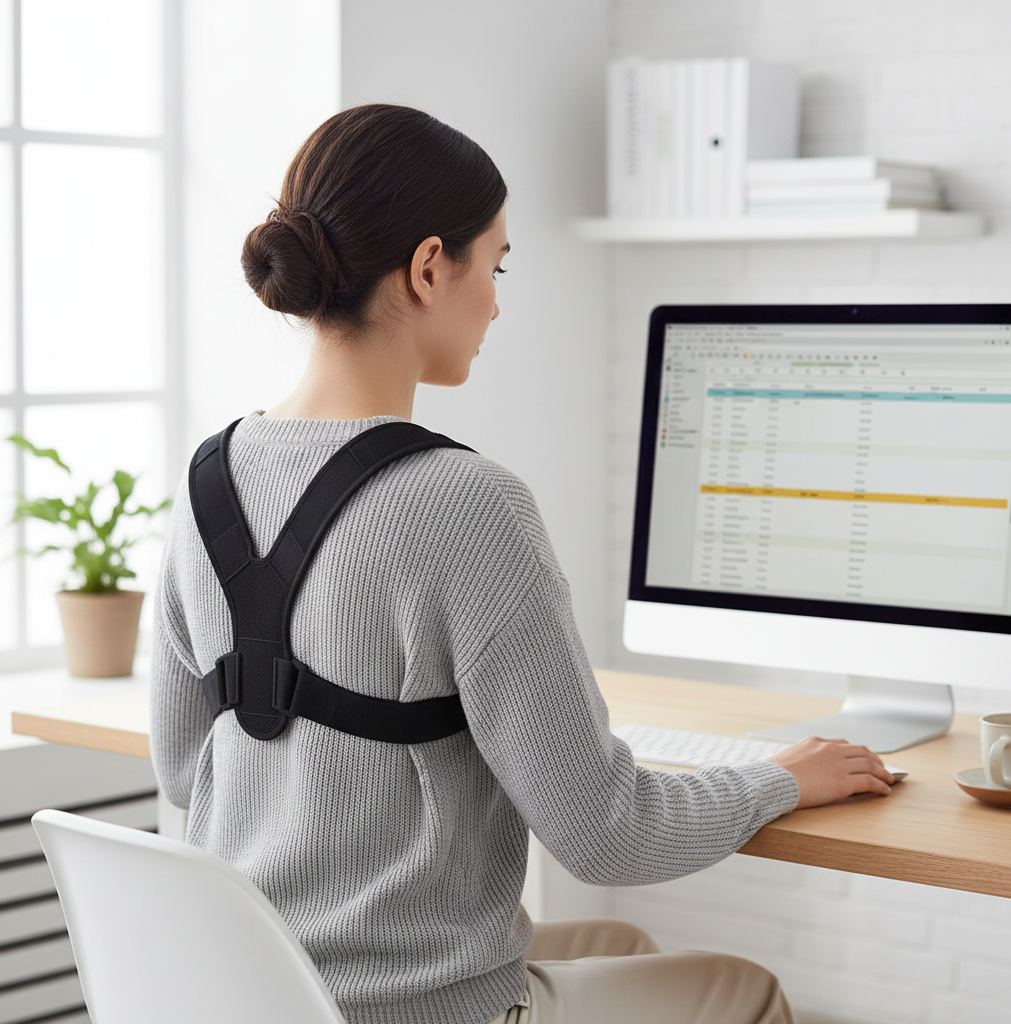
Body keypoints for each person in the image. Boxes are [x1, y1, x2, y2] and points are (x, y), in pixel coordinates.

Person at [151, 103, 895, 1024]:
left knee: (617, 950)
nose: (497, 301)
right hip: (410, 1007)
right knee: (743, 992)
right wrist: (784, 778)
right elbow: (608, 835)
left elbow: (189, 775)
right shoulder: (468, 504)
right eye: (494, 265)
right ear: (430, 267)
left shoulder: (204, 484)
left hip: (252, 990)